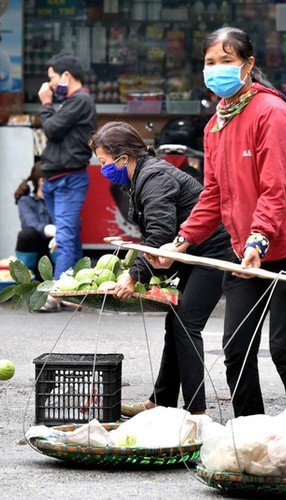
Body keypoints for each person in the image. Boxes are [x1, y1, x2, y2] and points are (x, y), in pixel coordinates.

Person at [149, 27, 286, 418]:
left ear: (248, 65)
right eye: (211, 62)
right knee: (236, 349)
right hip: (243, 251)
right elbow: (213, 195)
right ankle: (250, 432)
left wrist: (259, 241)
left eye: (226, 61)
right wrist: (182, 242)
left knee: (285, 350)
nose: (216, 70)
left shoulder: (272, 113)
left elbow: (274, 188)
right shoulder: (216, 125)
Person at [89, 121, 231, 416]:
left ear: (123, 158)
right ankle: (160, 402)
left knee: (186, 325)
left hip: (214, 250)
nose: (102, 168)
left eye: (103, 162)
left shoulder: (154, 177)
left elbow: (161, 234)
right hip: (190, 251)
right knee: (175, 323)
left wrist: (132, 276)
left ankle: (197, 414)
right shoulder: (142, 176)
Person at [37, 52, 97, 301]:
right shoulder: (72, 101)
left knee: (64, 236)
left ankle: (57, 294)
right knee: (67, 235)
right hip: (56, 178)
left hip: (68, 180)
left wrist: (46, 103)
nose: (49, 84)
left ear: (66, 76)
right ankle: (75, 289)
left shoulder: (80, 99)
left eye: (51, 78)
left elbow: (51, 129)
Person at [13, 162, 55, 276]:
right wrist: (49, 229)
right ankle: (26, 273)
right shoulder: (25, 201)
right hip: (34, 250)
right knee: (27, 234)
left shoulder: (58, 200)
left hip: (53, 251)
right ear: (42, 181)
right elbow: (29, 222)